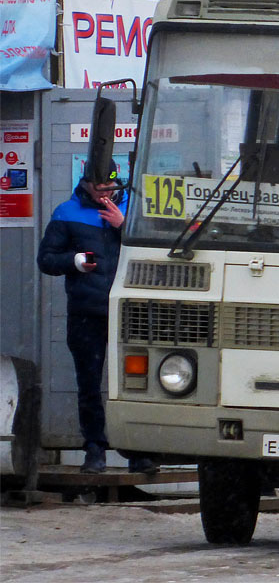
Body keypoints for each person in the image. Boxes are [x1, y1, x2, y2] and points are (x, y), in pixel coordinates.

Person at [37, 170, 157, 475]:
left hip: (131, 311)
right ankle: (94, 449)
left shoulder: (136, 208)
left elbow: (157, 251)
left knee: (136, 385)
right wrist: (75, 261)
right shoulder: (67, 212)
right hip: (86, 311)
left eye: (110, 185)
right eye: (99, 185)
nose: (105, 191)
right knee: (89, 383)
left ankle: (138, 451)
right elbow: (46, 259)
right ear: (86, 184)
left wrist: (124, 227)